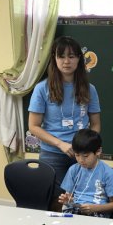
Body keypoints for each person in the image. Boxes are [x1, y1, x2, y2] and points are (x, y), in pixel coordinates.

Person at [28, 36, 101, 192]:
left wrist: (87, 147)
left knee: (83, 198)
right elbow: (33, 126)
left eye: (71, 56)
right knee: (55, 199)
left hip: (83, 154)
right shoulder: (42, 89)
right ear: (54, 58)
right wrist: (60, 144)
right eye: (61, 56)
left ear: (79, 59)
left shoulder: (90, 89)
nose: (66, 61)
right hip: (52, 155)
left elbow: (95, 124)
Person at [57, 129, 113, 218]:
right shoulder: (73, 170)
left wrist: (95, 208)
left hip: (97, 213)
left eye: (85, 156)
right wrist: (68, 201)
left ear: (98, 151)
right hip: (75, 211)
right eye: (77, 155)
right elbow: (69, 198)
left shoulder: (108, 173)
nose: (81, 160)